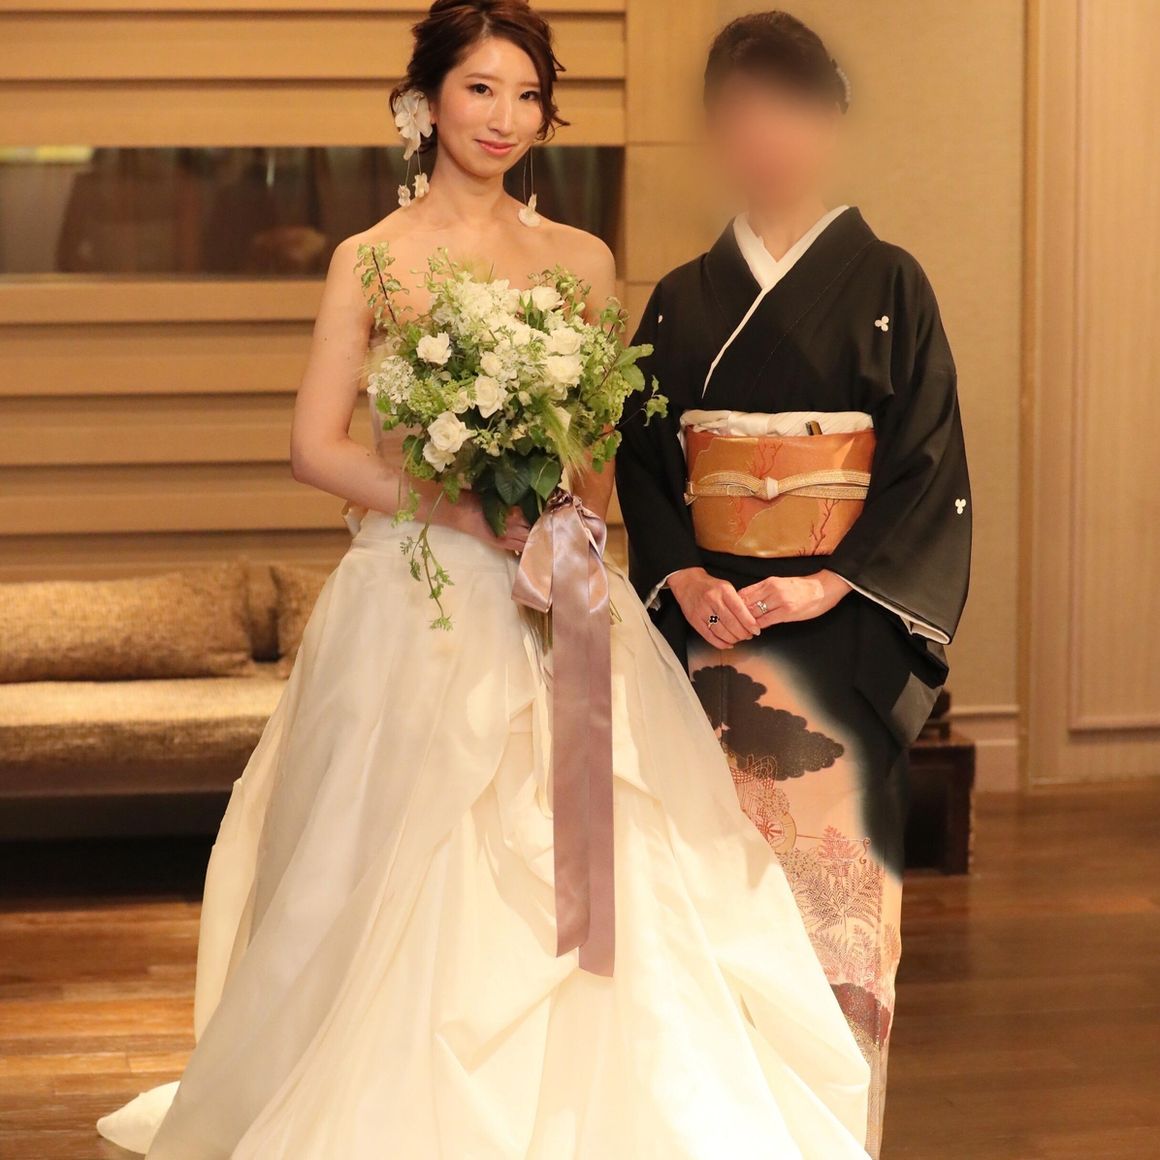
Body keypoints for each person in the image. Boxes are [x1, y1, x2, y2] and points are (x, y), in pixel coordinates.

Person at [96, 3, 871, 1156]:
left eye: (526, 95)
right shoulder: (371, 258)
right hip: (416, 599)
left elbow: (599, 446)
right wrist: (461, 507)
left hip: (559, 588)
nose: (504, 117)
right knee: (400, 860)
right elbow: (314, 446)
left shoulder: (581, 259)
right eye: (479, 89)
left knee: (607, 850)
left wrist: (570, 534)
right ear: (424, 101)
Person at [616, 11, 972, 1156]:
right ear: (716, 130)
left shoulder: (890, 282)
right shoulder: (678, 297)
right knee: (705, 909)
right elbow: (643, 460)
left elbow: (924, 467)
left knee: (833, 914)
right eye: (742, 115)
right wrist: (679, 570)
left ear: (827, 121)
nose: (766, 138)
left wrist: (832, 582)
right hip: (709, 635)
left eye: (789, 112)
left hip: (838, 643)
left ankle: (832, 1133)